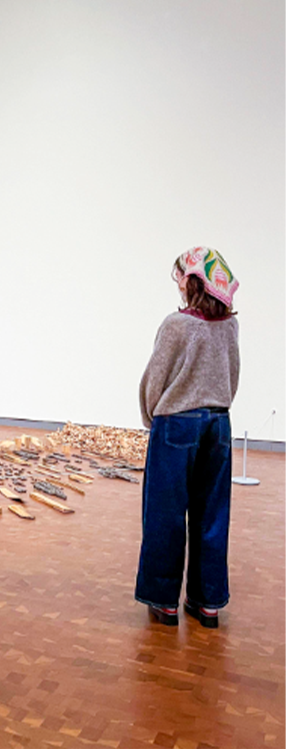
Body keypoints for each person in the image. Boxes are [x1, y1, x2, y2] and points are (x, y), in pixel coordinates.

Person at [136, 247, 240, 629]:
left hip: (177, 426)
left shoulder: (175, 325)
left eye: (179, 274)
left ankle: (164, 603)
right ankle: (208, 602)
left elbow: (154, 381)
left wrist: (154, 418)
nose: (177, 282)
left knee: (165, 515)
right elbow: (233, 375)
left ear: (191, 279)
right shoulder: (230, 326)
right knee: (212, 514)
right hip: (219, 424)